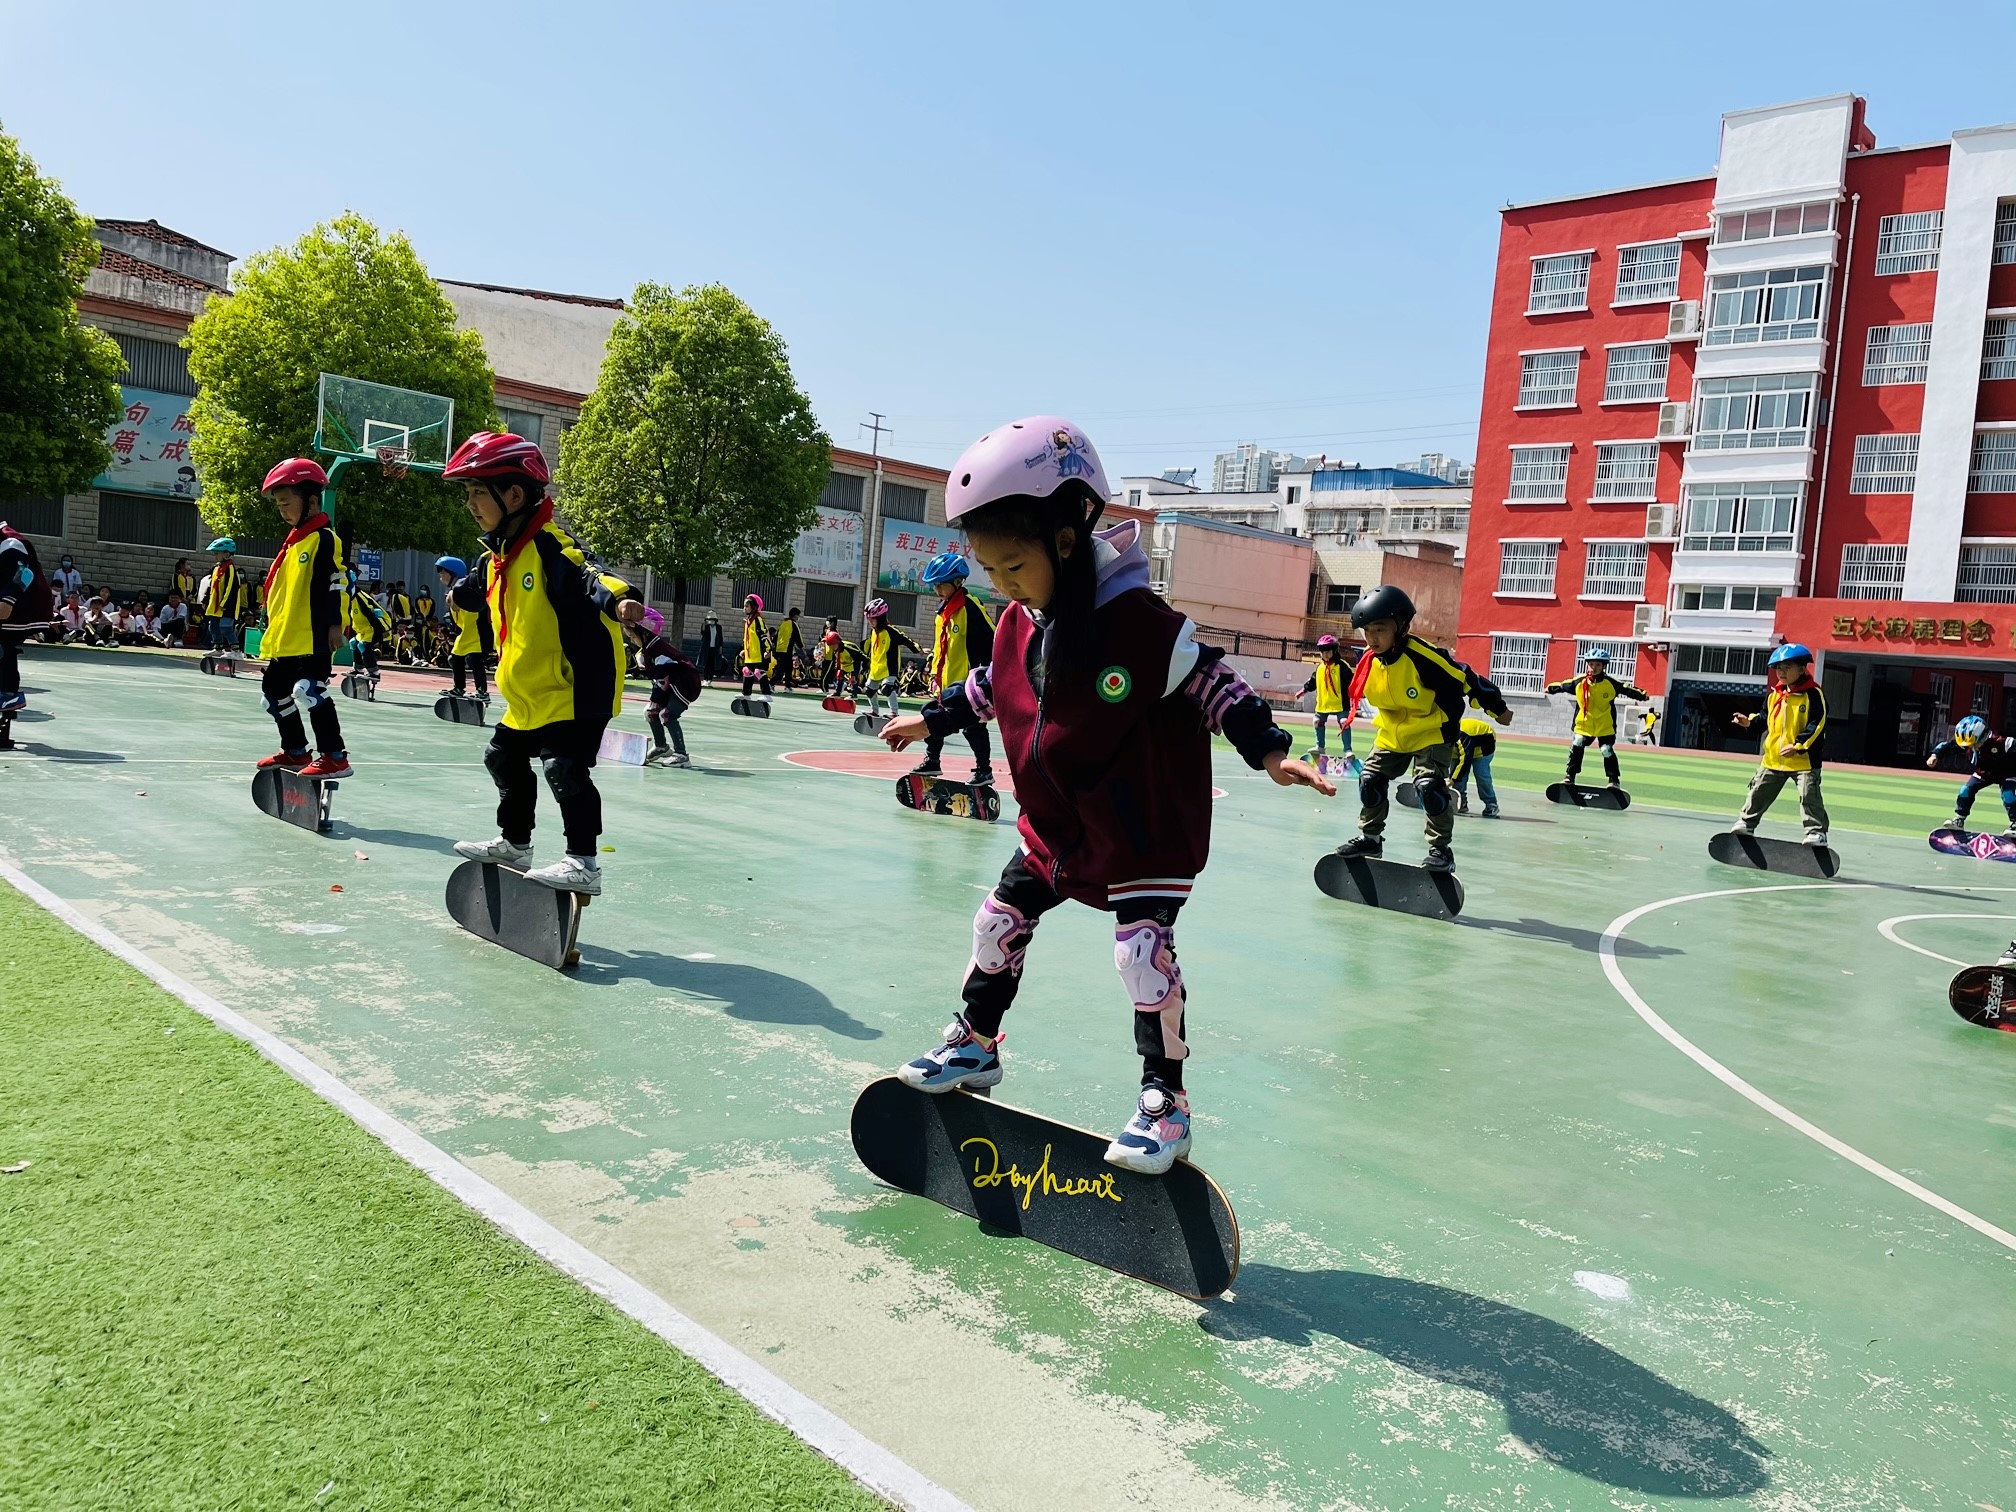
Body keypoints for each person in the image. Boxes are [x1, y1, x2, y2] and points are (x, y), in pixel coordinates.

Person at [880, 416, 1333, 1175]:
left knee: (1141, 957)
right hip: (1059, 826)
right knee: (997, 923)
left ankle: (1166, 1103)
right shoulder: (1021, 623)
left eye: (1014, 565)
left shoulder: (1137, 624)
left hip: (1137, 828)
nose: (1003, 585)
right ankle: (978, 1043)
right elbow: (992, 684)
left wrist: (1270, 750)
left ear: (1066, 539)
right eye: (990, 569)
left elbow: (1211, 680)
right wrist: (932, 717)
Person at [444, 432, 645, 894]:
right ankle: (515, 844)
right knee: (502, 757)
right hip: (530, 693)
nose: (470, 504)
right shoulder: (496, 557)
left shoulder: (551, 548)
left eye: (478, 492)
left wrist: (621, 600)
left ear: (514, 496)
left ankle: (584, 863)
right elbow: (474, 589)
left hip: (576, 687)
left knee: (564, 768)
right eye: (468, 492)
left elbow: (593, 574)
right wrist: (457, 594)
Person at [1331, 585, 1512, 873]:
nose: (1372, 638)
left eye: (1380, 630)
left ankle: (1441, 850)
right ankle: (1370, 839)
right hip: (1392, 733)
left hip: (1432, 731)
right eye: (1367, 631)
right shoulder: (1369, 660)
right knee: (1370, 779)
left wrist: (1498, 709)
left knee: (1428, 786)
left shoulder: (1422, 657)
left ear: (1401, 627)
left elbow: (1465, 678)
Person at [252, 459, 353, 779]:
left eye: (286, 503)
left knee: (309, 691)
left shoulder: (323, 538)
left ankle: (334, 756)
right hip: (287, 636)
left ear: (311, 501)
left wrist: (336, 624)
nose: (282, 510)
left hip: (313, 634)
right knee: (273, 695)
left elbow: (338, 582)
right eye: (278, 505)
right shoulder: (294, 542)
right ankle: (295, 750)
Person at [1729, 642, 1828, 848]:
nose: (1781, 672)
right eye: (1778, 668)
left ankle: (1816, 833)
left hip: (1804, 761)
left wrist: (1798, 745)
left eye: (1787, 667)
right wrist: (1749, 722)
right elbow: (1764, 719)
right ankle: (1746, 824)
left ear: (1802, 669)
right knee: (1758, 791)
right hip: (1773, 759)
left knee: (1809, 795)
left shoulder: (1813, 694)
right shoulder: (1774, 695)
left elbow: (1818, 724)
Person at [909, 551, 996, 785]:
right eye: (934, 585)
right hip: (944, 680)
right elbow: (941, 646)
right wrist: (933, 672)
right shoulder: (942, 611)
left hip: (966, 684)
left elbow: (993, 639)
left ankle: (984, 770)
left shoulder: (970, 607)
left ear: (958, 582)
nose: (936, 590)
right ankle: (932, 761)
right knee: (933, 719)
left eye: (941, 584)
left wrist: (983, 679)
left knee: (972, 728)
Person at [1544, 648, 1649, 789]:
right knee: (1578, 742)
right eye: (1591, 664)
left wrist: (1642, 695)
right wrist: (1550, 689)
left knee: (1606, 749)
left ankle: (1614, 780)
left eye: (1598, 665)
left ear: (1604, 666)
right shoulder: (1580, 682)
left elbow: (1626, 689)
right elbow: (1563, 685)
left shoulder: (1610, 683)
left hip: (1605, 725)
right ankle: (1570, 776)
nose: (1594, 668)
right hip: (1584, 724)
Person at [629, 606, 703, 768]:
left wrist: (656, 700)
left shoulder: (658, 650)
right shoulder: (649, 649)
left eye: (632, 635)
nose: (631, 639)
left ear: (644, 632)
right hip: (672, 683)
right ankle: (661, 746)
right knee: (650, 712)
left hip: (686, 684)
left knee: (667, 714)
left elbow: (661, 680)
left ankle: (682, 755)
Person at [1927, 714, 2016, 834]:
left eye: (1974, 744)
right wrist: (1935, 755)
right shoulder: (1968, 744)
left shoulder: (2003, 742)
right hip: (1984, 772)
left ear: (1983, 735)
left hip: (2007, 773)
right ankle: (1959, 820)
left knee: (2008, 795)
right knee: (1965, 790)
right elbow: (1946, 746)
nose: (1971, 747)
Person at [0, 521, 54, 718]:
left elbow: (24, 573)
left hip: (24, 602)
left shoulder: (11, 543)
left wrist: (8, 599)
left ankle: (8, 694)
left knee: (3, 639)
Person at [435, 556, 493, 702]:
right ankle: (459, 688)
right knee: (455, 658)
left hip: (477, 630)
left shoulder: (466, 587)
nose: (440, 577)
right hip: (467, 630)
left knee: (474, 659)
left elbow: (467, 605)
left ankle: (482, 692)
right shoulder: (456, 589)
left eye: (443, 573)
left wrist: (454, 598)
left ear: (452, 573)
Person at [1298, 634, 1357, 765]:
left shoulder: (1342, 666)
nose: (1325, 654)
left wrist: (1357, 693)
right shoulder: (1320, 668)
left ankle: (1348, 750)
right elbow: (1312, 682)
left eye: (1328, 651)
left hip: (1340, 703)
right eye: (1323, 652)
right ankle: (1320, 747)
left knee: (1344, 723)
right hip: (1323, 703)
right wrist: (1303, 690)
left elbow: (1352, 681)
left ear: (1334, 651)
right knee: (1317, 721)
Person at [862, 597, 921, 722]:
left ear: (880, 618)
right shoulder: (874, 632)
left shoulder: (890, 631)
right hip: (876, 667)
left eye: (872, 619)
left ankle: (894, 713)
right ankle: (874, 711)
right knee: (869, 690)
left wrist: (918, 650)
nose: (870, 622)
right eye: (869, 619)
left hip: (890, 667)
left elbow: (905, 639)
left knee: (887, 688)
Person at [199, 537, 247, 669]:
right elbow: (211, 585)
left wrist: (225, 604)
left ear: (226, 554)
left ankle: (236, 651)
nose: (214, 555)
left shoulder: (230, 569)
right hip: (215, 605)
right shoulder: (217, 568)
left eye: (217, 553)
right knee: (213, 626)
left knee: (226, 627)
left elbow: (231, 587)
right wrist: (206, 600)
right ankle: (218, 648)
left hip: (227, 606)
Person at [1452, 711, 1508, 818]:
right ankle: (1461, 802)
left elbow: (1465, 760)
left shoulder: (1461, 736)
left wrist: (1452, 780)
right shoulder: (1442, 735)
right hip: (1461, 749)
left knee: (1482, 775)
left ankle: (1491, 804)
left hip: (1484, 746)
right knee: (1457, 775)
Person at [344, 572, 392, 686]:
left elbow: (374, 614)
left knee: (363, 645)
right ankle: (358, 669)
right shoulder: (350, 598)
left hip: (376, 627)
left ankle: (374, 673)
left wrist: (382, 632)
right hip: (364, 630)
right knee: (353, 643)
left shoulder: (361, 597)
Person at [738, 594, 773, 700]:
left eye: (747, 606)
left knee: (759, 672)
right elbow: (748, 638)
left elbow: (764, 635)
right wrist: (744, 650)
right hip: (751, 654)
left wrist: (768, 650)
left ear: (754, 607)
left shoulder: (758, 620)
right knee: (747, 671)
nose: (745, 608)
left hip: (761, 653)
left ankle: (767, 695)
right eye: (744, 606)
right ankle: (746, 694)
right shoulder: (748, 621)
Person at [772, 604, 806, 689]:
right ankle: (771, 683)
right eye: (798, 616)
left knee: (788, 667)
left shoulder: (783, 623)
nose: (798, 618)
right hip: (786, 649)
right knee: (782, 668)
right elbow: (797, 637)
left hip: (779, 649)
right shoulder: (793, 624)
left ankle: (787, 686)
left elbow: (776, 636)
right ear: (795, 615)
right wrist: (801, 647)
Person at [700, 612, 727, 680]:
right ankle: (705, 679)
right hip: (707, 648)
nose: (711, 621)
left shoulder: (718, 627)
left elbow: (720, 637)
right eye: (710, 619)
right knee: (706, 664)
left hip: (715, 648)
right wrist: (704, 624)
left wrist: (721, 647)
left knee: (712, 664)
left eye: (712, 619)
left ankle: (710, 679)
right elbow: (702, 633)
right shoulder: (706, 626)